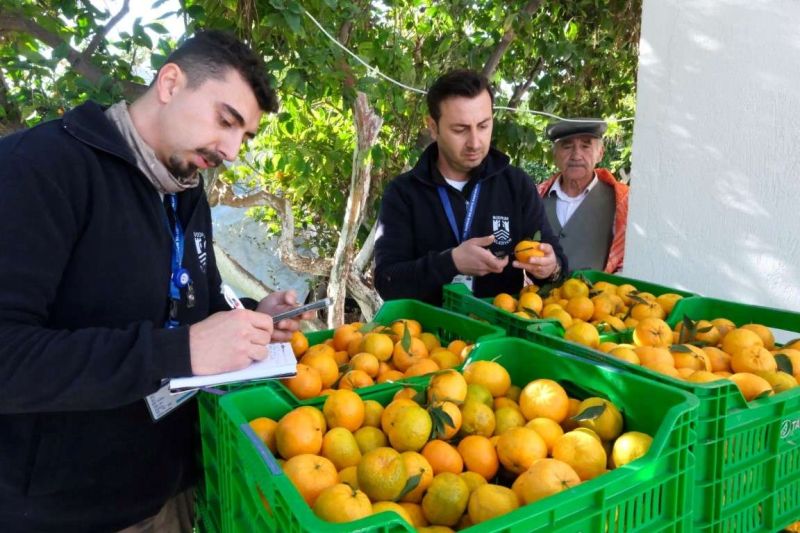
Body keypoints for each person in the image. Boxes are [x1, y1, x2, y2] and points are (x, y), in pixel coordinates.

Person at [0, 30, 312, 532]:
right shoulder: (39, 169)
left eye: (245, 137)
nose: (231, 150)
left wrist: (255, 315)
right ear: (170, 82)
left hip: (172, 489)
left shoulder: (185, 190)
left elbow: (194, 305)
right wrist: (177, 351)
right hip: (68, 512)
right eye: (225, 121)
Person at [374, 69, 566, 305]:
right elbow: (387, 283)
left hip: (499, 335)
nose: (475, 142)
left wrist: (550, 268)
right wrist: (450, 262)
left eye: (483, 126)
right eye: (460, 130)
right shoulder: (404, 194)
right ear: (433, 127)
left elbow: (560, 269)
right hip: (424, 338)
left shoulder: (516, 185)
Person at [537, 119, 629, 272]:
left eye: (586, 146)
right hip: (534, 296)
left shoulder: (621, 201)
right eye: (567, 146)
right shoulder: (535, 198)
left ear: (600, 153)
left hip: (596, 295)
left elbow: (624, 264)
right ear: (555, 155)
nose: (576, 155)